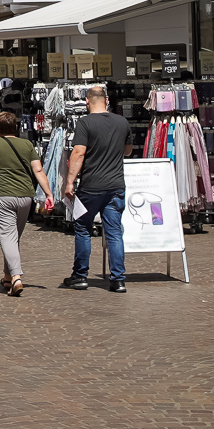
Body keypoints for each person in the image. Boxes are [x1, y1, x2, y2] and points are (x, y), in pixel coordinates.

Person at [63, 84, 131, 292]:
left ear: (87, 101)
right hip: (116, 185)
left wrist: (69, 181)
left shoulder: (85, 123)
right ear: (107, 100)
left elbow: (78, 153)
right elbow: (127, 151)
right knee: (114, 232)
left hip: (91, 186)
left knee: (83, 228)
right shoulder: (122, 122)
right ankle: (118, 279)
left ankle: (80, 276)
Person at [0, 111, 50, 297]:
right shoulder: (26, 145)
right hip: (25, 196)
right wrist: (48, 193)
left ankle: (17, 277)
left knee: (7, 236)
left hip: (2, 196)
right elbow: (38, 170)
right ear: (16, 127)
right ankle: (8, 276)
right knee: (12, 237)